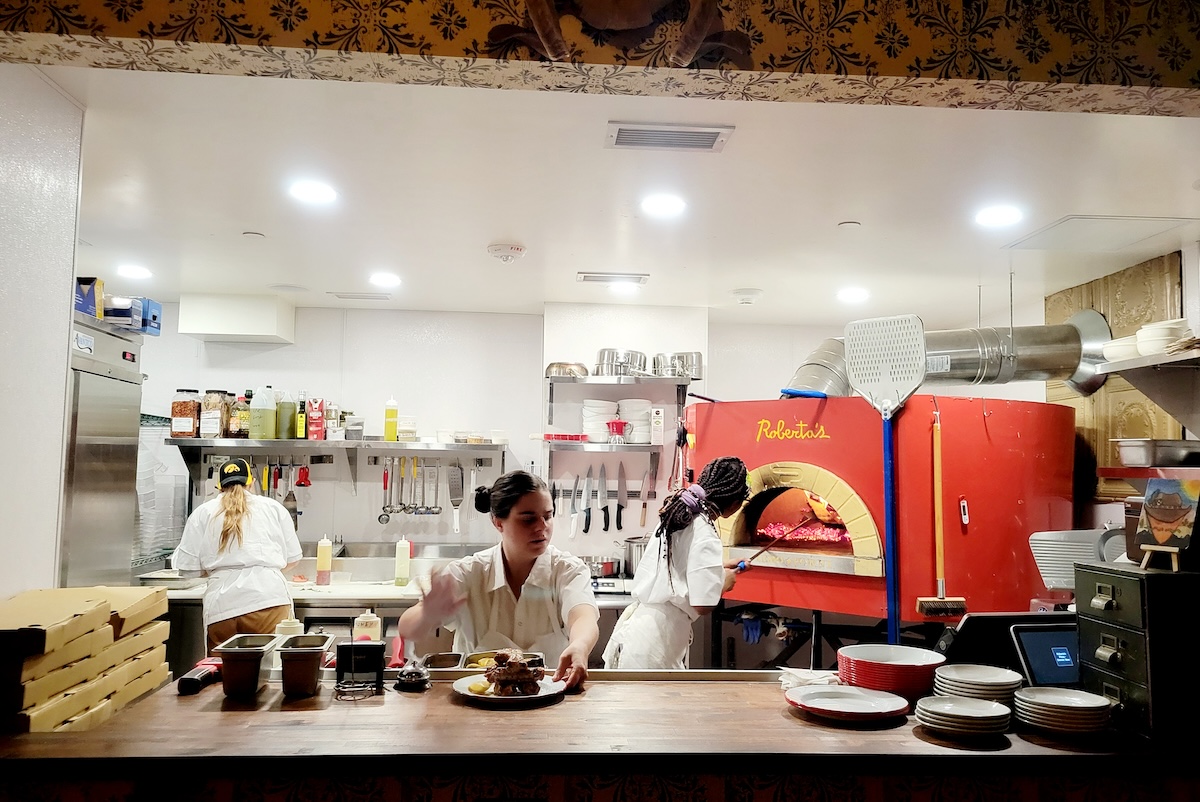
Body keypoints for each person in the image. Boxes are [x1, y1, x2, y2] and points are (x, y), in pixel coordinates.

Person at [397, 470, 599, 689]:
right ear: (498, 522)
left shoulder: (567, 570)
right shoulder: (469, 572)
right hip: (478, 705)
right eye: (528, 519)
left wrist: (580, 645)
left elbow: (583, 618)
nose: (542, 527)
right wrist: (428, 613)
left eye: (548, 516)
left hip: (550, 699)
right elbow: (408, 629)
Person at [602, 456, 749, 669]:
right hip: (654, 644)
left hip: (643, 632)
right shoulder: (706, 531)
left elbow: (679, 569)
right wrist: (724, 583)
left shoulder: (679, 516)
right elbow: (703, 604)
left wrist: (718, 569)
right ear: (735, 504)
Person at [172, 457, 303, 653]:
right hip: (268, 600)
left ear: (219, 487)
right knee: (269, 671)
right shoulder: (273, 508)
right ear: (251, 483)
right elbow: (293, 559)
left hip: (222, 608)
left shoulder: (203, 513)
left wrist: (219, 569)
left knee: (223, 676)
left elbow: (188, 570)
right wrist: (262, 568)